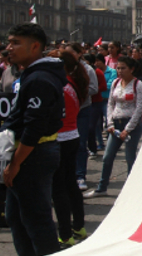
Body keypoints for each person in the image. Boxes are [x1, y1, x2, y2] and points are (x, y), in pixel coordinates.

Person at [1, 23, 66, 255]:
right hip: (25, 153)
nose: (9, 48)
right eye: (9, 42)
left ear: (35, 46)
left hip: (33, 154)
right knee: (16, 217)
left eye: (16, 43)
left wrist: (16, 163)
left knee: (37, 220)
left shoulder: (40, 79)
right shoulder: (31, 74)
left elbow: (34, 126)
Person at [84, 57, 142, 198]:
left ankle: (133, 189)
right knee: (107, 157)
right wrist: (110, 124)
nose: (120, 71)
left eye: (123, 68)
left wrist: (128, 129)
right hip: (116, 125)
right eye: (118, 68)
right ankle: (102, 188)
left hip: (132, 125)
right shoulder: (116, 83)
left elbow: (139, 108)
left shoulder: (138, 85)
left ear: (132, 69)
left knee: (130, 158)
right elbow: (111, 104)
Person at [48, 50, 87, 248]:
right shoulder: (72, 84)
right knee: (71, 184)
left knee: (59, 189)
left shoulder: (60, 86)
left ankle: (65, 233)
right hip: (72, 134)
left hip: (59, 138)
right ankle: (79, 226)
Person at [64, 44, 96, 193]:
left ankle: (80, 175)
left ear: (79, 54)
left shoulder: (87, 70)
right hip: (66, 111)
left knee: (81, 143)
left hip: (82, 109)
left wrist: (76, 92)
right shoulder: (63, 70)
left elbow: (94, 88)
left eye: (71, 54)